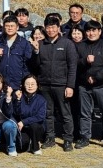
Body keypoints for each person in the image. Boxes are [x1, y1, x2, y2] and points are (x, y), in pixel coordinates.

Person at [29, 16, 77, 151]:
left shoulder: (67, 44)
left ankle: (68, 139)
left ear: (58, 28)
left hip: (62, 85)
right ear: (45, 28)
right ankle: (50, 137)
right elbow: (35, 65)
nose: (50, 30)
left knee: (65, 113)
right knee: (48, 113)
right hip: (44, 84)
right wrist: (36, 51)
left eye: (53, 27)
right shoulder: (41, 43)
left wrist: (70, 86)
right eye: (48, 27)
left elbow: (72, 66)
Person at [75, 20, 103, 151]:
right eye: (88, 30)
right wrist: (84, 61)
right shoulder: (80, 46)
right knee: (85, 114)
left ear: (100, 31)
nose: (91, 33)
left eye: (94, 30)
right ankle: (84, 137)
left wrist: (97, 77)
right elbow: (74, 64)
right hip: (84, 86)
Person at [0, 15, 32, 90]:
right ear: (4, 27)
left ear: (17, 27)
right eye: (7, 26)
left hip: (18, 83)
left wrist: (23, 79)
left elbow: (28, 63)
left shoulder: (24, 43)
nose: (10, 28)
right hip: (2, 83)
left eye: (12, 26)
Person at [12, 74, 46, 155]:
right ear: (23, 85)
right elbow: (16, 113)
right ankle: (29, 142)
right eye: (27, 84)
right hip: (23, 128)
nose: (30, 86)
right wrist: (18, 100)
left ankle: (35, 147)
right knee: (21, 148)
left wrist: (24, 122)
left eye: (33, 84)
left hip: (36, 128)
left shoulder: (41, 99)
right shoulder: (19, 96)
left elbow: (40, 116)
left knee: (34, 126)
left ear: (37, 85)